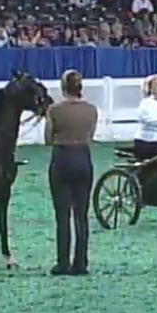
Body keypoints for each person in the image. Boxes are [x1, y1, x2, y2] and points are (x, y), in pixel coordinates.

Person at [44, 70, 98, 276]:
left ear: (63, 87)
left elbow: (48, 138)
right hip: (83, 158)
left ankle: (63, 262)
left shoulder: (55, 110)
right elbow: (90, 135)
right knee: (81, 214)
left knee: (63, 214)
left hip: (62, 159)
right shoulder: (91, 110)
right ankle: (81, 262)